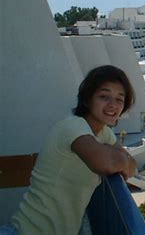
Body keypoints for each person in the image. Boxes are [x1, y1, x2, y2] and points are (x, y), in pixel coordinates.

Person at [7, 65, 137, 235]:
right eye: (104, 96)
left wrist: (122, 160)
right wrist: (121, 159)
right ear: (88, 99)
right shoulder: (73, 126)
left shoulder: (102, 132)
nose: (113, 105)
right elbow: (105, 163)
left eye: (119, 99)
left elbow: (132, 166)